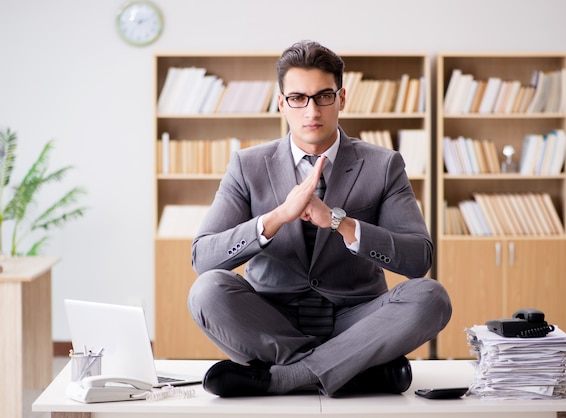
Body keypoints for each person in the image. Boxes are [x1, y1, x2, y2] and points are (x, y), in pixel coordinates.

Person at [188, 40, 452, 398]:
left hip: (356, 322)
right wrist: (278, 217)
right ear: (282, 104)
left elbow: (418, 259)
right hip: (270, 322)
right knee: (207, 290)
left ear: (341, 99)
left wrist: (339, 222)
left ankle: (283, 378)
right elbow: (203, 258)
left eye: (323, 96)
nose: (311, 110)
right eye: (298, 98)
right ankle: (349, 370)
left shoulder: (383, 164)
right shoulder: (247, 166)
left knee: (431, 297)